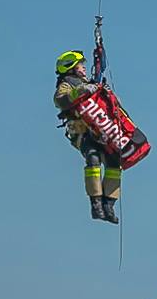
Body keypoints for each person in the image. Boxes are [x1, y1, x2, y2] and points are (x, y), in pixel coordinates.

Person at [54, 50, 125, 223]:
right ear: (71, 68)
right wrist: (81, 90)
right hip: (82, 133)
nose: (84, 69)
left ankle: (109, 204)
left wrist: (106, 94)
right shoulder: (67, 84)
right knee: (93, 159)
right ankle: (96, 204)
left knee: (114, 162)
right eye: (81, 66)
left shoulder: (92, 83)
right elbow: (60, 100)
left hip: (102, 131)